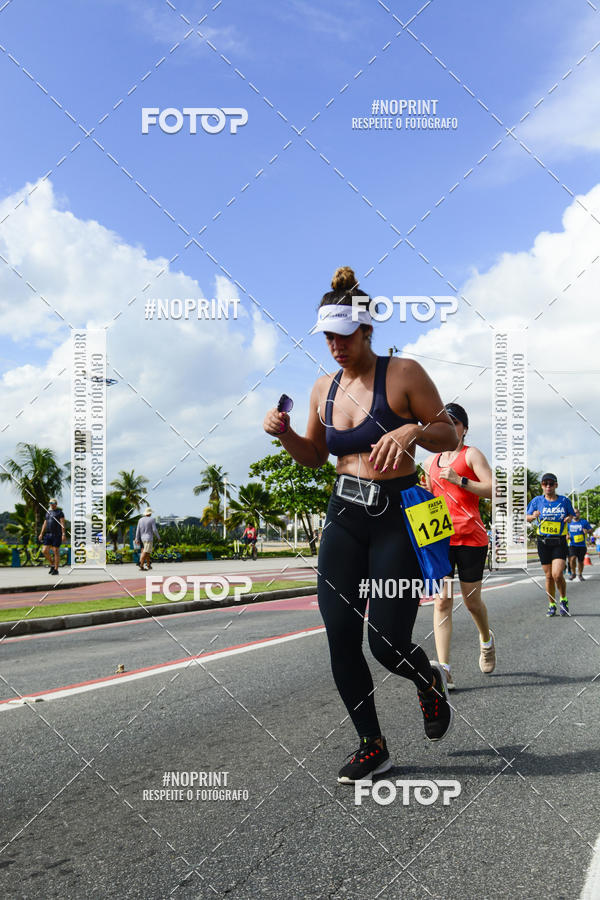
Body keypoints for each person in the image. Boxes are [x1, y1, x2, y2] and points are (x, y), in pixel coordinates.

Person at [263, 266, 459, 784]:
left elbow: (450, 434)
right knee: (341, 637)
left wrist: (414, 429)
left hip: (397, 513)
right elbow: (314, 454)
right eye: (328, 337)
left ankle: (428, 682)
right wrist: (284, 436)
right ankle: (372, 745)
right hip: (344, 517)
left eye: (346, 336)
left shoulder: (404, 374)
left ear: (368, 331)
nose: (336, 346)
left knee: (387, 643)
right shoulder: (322, 389)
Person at [423, 403, 495, 691]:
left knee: (471, 602)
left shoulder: (472, 454)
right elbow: (429, 502)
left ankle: (486, 640)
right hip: (441, 539)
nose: (449, 427)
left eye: (454, 422)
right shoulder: (430, 462)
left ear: (464, 428)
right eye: (444, 422)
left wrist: (460, 480)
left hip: (471, 538)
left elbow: (494, 490)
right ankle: (444, 670)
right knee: (442, 601)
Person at [526, 474, 575, 616]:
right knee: (548, 576)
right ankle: (552, 604)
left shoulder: (564, 501)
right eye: (545, 483)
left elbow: (572, 515)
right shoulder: (536, 501)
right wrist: (533, 516)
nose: (548, 486)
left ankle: (564, 599)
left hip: (559, 542)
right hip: (543, 542)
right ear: (542, 485)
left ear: (556, 485)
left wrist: (569, 518)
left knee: (557, 574)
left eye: (551, 483)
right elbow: (527, 517)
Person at [38, 498, 66, 575]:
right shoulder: (48, 512)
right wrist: (41, 533)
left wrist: (63, 534)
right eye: (50, 503)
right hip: (48, 534)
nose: (51, 504)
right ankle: (52, 564)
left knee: (56, 551)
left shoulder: (60, 512)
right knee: (44, 551)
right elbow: (45, 524)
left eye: (53, 503)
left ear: (56, 504)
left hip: (57, 534)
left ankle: (56, 569)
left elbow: (62, 524)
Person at [567, 510, 592, 581]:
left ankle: (580, 574)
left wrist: (587, 531)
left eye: (576, 512)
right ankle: (573, 573)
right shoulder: (569, 522)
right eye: (573, 513)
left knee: (580, 561)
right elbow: (565, 531)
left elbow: (591, 530)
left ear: (579, 514)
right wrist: (567, 535)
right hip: (572, 544)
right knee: (572, 559)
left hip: (582, 545)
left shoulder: (584, 522)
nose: (575, 514)